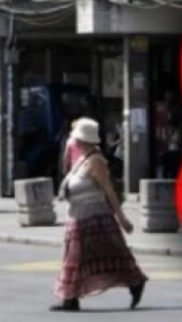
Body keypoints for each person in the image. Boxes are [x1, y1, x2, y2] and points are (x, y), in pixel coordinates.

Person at [52, 118, 147, 312]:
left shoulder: (96, 161)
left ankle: (134, 282)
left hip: (95, 217)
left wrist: (122, 219)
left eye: (77, 138)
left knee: (106, 255)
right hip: (78, 216)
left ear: (84, 141)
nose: (74, 142)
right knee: (83, 257)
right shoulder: (83, 159)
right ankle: (71, 298)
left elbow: (109, 191)